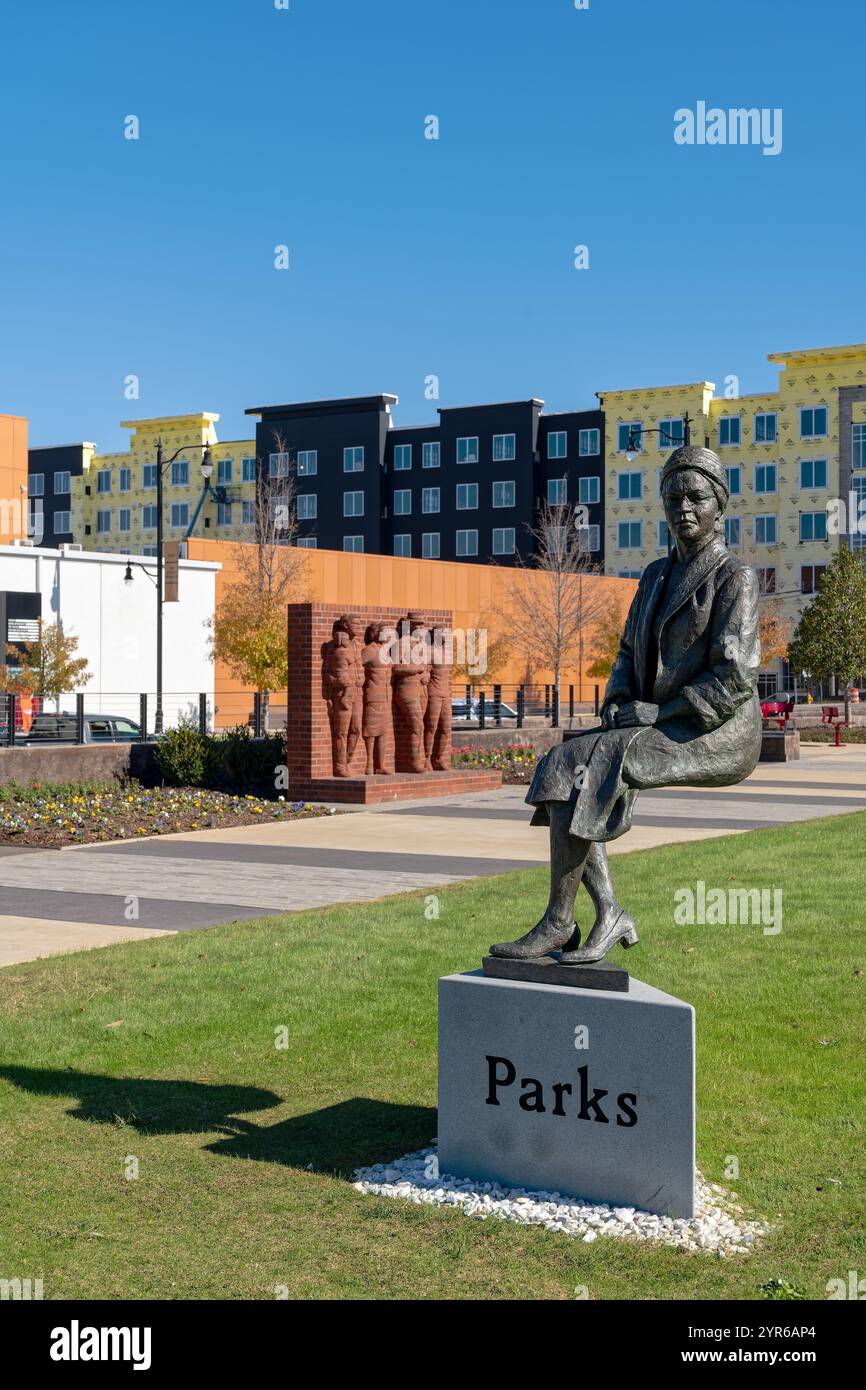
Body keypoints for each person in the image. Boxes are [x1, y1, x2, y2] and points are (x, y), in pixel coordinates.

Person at [490, 445, 762, 965]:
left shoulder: (734, 578)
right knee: (557, 766)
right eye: (672, 498)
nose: (683, 507)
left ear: (718, 505)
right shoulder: (655, 576)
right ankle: (593, 913)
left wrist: (659, 713)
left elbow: (734, 677)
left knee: (591, 766)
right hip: (656, 720)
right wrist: (618, 700)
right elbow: (626, 653)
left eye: (695, 497)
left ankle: (565, 919)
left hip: (715, 728)